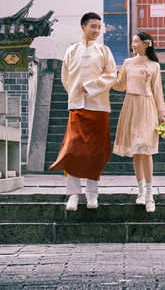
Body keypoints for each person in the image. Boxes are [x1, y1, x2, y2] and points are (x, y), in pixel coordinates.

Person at [49, 12, 117, 210]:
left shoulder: (104, 51)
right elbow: (66, 78)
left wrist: (92, 86)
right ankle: (73, 194)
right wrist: (76, 93)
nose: (97, 30)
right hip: (77, 107)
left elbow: (112, 75)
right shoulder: (71, 51)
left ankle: (92, 194)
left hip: (99, 107)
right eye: (93, 26)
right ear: (83, 27)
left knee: (96, 152)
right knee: (73, 151)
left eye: (99, 27)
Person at [112, 30, 165, 212]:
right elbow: (121, 85)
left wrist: (161, 113)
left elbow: (157, 90)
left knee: (146, 149)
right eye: (133, 41)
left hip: (147, 106)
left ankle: (150, 195)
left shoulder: (154, 65)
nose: (133, 44)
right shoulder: (127, 63)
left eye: (136, 41)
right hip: (131, 106)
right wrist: (108, 77)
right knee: (136, 150)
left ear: (146, 43)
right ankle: (141, 192)